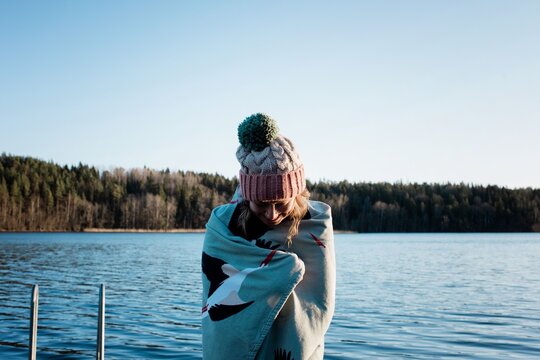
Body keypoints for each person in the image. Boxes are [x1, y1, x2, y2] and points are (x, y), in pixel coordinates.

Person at [201, 113, 335, 360]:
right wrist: (286, 268)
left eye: (281, 204)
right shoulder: (224, 224)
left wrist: (280, 270)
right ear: (247, 197)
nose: (272, 214)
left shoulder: (314, 224)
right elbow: (217, 294)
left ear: (295, 194)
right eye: (261, 204)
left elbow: (318, 303)